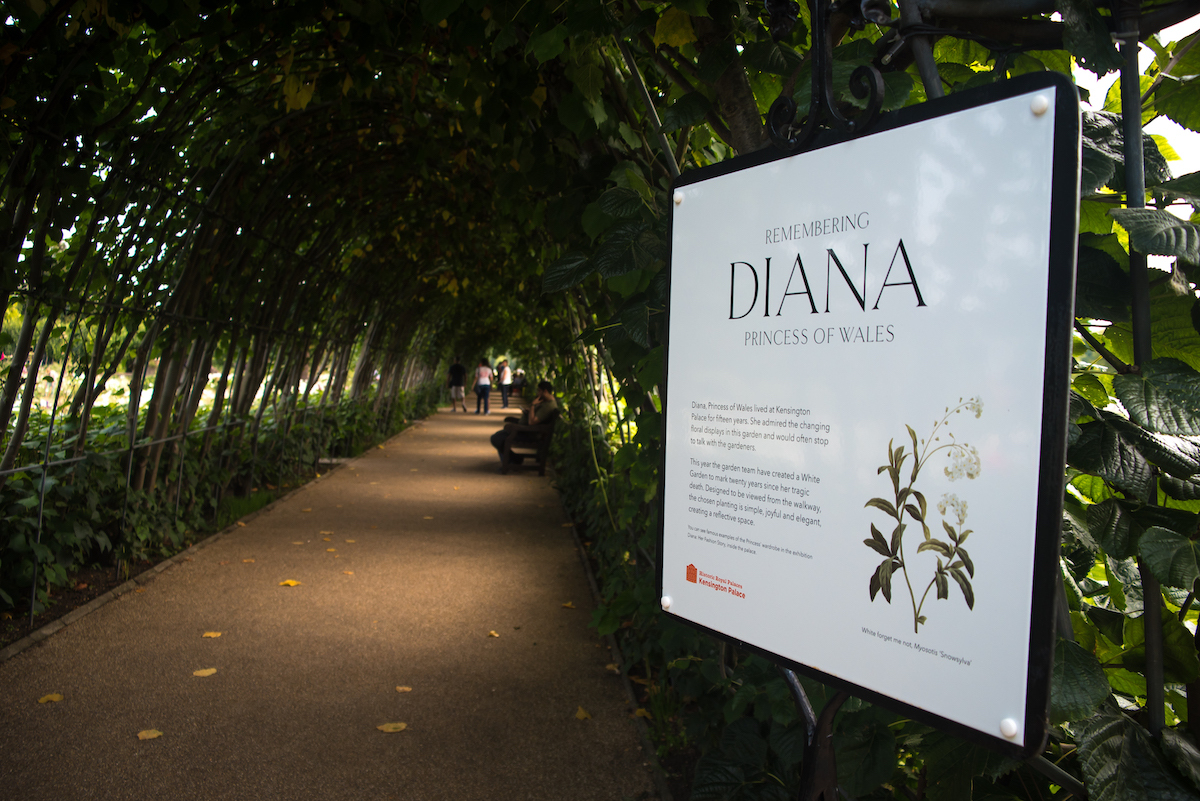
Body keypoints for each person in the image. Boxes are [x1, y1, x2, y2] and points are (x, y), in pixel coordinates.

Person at [490, 380, 558, 465]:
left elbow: (532, 422)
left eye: (539, 391)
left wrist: (533, 405)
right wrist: (530, 411)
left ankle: (512, 461)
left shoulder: (548, 406)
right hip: (526, 431)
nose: (537, 393)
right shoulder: (546, 403)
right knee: (498, 436)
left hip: (529, 434)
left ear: (545, 391)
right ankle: (515, 459)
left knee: (496, 438)